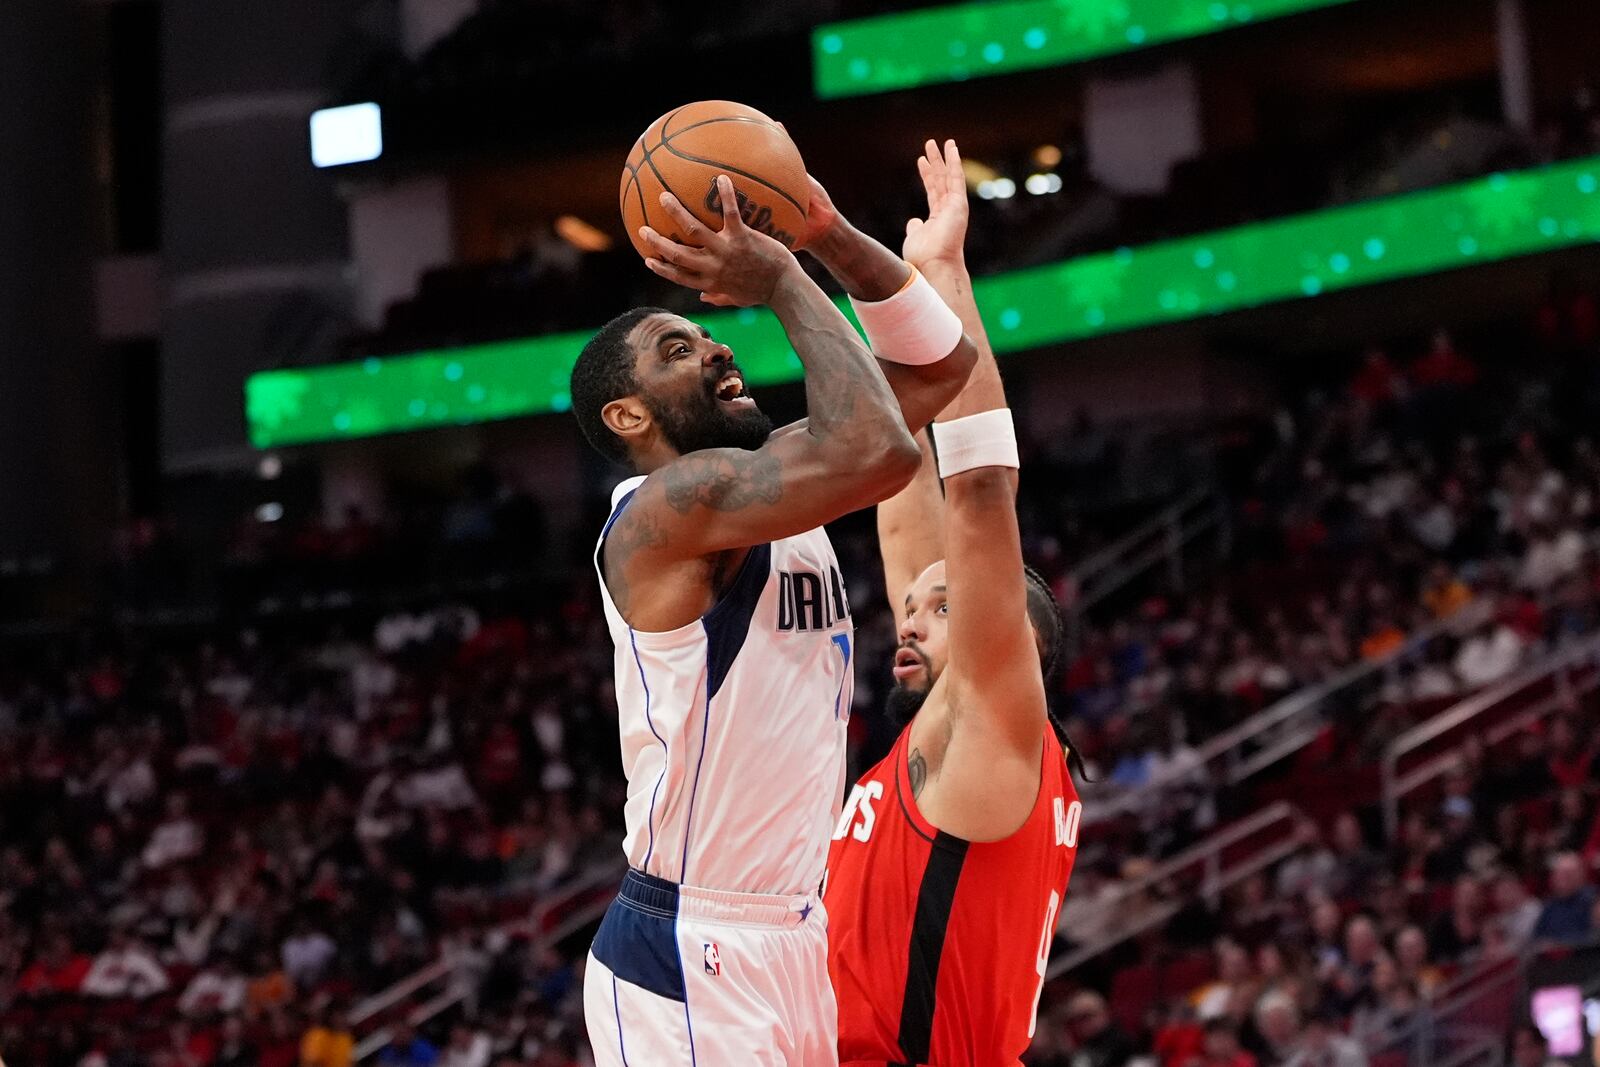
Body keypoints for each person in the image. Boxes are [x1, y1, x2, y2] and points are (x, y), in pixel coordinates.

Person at [571, 162, 975, 1067]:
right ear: (628, 412)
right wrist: (787, 278)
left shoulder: (782, 480)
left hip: (795, 933)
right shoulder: (661, 517)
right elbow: (876, 447)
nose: (716, 348)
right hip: (687, 944)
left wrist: (824, 229)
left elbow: (943, 363)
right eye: (677, 350)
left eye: (708, 332)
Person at [824, 140, 1081, 1065]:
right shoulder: (950, 728)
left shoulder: (995, 723)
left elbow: (977, 491)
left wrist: (941, 280)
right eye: (917, 605)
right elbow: (904, 500)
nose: (911, 613)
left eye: (943, 605)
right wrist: (886, 310)